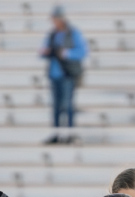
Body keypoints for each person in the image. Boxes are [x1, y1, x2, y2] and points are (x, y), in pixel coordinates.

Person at [40, 6, 86, 144]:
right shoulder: (52, 34)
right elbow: (43, 51)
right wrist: (46, 52)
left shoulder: (73, 33)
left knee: (67, 106)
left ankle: (70, 134)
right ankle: (57, 134)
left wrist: (66, 53)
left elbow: (82, 51)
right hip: (54, 74)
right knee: (56, 107)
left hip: (67, 74)